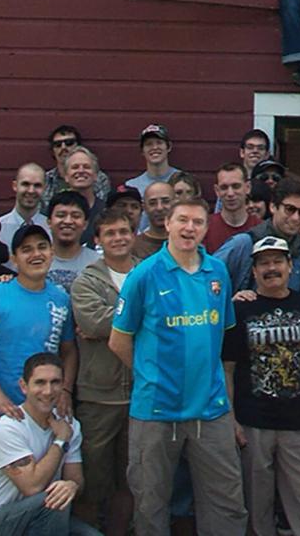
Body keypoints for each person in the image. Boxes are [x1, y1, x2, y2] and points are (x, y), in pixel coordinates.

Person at [110, 196, 244, 534]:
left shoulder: (217, 271)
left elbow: (220, 334)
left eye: (198, 222)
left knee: (226, 503)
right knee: (150, 505)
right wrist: (150, 377)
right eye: (182, 220)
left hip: (211, 408)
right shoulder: (144, 275)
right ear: (167, 224)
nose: (189, 228)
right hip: (156, 410)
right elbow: (118, 340)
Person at [0, 223, 78, 534]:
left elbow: (68, 350)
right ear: (14, 258)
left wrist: (65, 388)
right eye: (26, 250)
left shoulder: (60, 299)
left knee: (38, 502)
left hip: (42, 416)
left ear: (52, 253)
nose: (35, 254)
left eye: (41, 247)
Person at [223, 237, 300, 536]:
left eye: (277, 261)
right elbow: (228, 368)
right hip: (253, 423)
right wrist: (231, 418)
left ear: (289, 265)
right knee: (256, 505)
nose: (271, 268)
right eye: (264, 263)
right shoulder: (239, 310)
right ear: (255, 270)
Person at [0, 352, 98, 535]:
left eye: (55, 382)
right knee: (51, 500)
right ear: (24, 386)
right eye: (40, 383)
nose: (48, 391)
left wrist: (71, 486)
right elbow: (32, 487)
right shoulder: (8, 427)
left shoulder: (70, 424)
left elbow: (75, 480)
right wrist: (60, 440)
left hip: (42, 516)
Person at [68, 208, 138, 536]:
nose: (118, 238)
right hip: (98, 394)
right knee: (92, 481)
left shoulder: (148, 274)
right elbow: (90, 322)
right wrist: (141, 318)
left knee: (131, 480)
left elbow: (166, 319)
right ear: (97, 240)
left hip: (141, 394)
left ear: (133, 234)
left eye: (123, 231)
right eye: (110, 234)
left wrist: (113, 324)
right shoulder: (87, 280)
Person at [44, 128, 114, 211]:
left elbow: (101, 208)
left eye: (69, 143)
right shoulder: (45, 179)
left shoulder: (100, 178)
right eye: (58, 144)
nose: (63, 148)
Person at [43, 192, 98, 290]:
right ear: (49, 222)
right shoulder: (35, 260)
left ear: (85, 224)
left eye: (76, 216)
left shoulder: (97, 263)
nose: (68, 221)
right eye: (61, 215)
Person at [205, 163, 255, 252]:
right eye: (224, 187)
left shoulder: (260, 228)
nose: (230, 193)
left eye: (236, 186)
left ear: (248, 187)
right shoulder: (205, 227)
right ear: (217, 191)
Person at [0, 165, 52, 246]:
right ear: (15, 186)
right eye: (25, 184)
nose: (31, 191)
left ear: (44, 188)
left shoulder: (52, 229)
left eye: (37, 185)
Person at [123, 125, 178, 197]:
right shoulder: (132, 186)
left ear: (169, 147)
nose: (155, 147)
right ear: (142, 151)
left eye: (159, 143)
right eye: (149, 144)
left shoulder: (184, 182)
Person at [133, 181, 173, 260]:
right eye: (152, 203)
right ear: (144, 207)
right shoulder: (134, 246)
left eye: (165, 201)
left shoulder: (186, 242)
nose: (159, 208)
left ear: (176, 203)